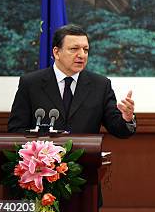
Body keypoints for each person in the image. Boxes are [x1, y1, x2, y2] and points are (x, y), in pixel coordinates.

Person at [8, 24, 136, 137]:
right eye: (74, 49)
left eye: (85, 50)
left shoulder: (101, 85)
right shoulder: (31, 83)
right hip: (42, 162)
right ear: (56, 52)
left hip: (84, 161)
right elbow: (16, 130)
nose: (81, 55)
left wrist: (127, 118)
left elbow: (119, 130)